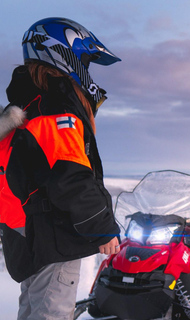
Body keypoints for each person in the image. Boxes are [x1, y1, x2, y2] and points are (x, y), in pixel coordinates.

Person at [0, 17, 121, 319]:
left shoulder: (27, 106)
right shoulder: (55, 108)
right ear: (66, 55)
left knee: (32, 309)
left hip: (27, 233)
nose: (88, 72)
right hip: (52, 234)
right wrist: (103, 228)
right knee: (50, 312)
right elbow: (71, 176)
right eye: (85, 61)